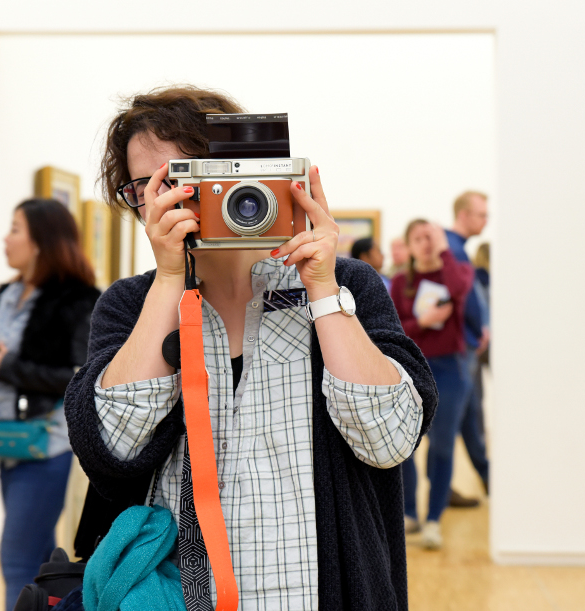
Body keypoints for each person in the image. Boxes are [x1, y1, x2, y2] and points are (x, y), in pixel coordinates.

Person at [63, 85, 437, 610]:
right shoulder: (131, 305)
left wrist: (324, 290)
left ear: (241, 172)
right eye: (149, 187)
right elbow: (112, 446)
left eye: (188, 177)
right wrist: (171, 279)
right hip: (182, 595)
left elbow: (390, 439)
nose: (172, 199)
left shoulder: (344, 283)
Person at [0, 199, 100, 611]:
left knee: (16, 560)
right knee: (42, 559)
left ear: (42, 241)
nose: (5, 239)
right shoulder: (7, 294)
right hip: (7, 443)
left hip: (47, 444)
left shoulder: (77, 300)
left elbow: (79, 374)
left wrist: (7, 366)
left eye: (14, 229)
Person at [390, 219, 474, 550]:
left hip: (450, 370)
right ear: (408, 245)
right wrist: (421, 323)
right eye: (418, 238)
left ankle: (434, 519)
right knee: (405, 446)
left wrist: (444, 250)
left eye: (431, 237)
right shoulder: (400, 282)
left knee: (442, 447)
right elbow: (394, 327)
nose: (425, 243)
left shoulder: (457, 273)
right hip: (411, 369)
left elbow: (457, 289)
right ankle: (409, 513)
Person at [445, 191, 491, 506]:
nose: (486, 221)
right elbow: (461, 298)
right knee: (456, 421)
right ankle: (445, 492)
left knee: (468, 419)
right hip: (460, 349)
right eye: (481, 214)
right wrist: (480, 328)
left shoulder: (459, 248)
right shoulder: (453, 249)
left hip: (466, 347)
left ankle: (491, 482)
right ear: (464, 215)